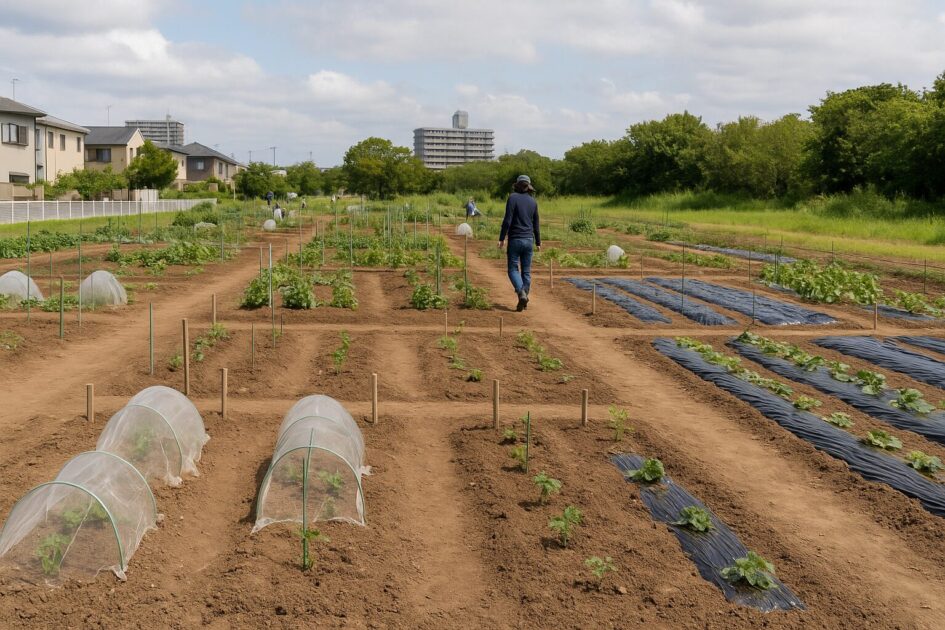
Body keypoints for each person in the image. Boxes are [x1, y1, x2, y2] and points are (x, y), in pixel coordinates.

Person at [498, 175, 540, 312]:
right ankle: (524, 299)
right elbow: (536, 223)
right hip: (528, 240)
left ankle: (521, 293)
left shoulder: (512, 198)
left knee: (513, 269)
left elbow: (507, 220)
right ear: (528, 186)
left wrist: (502, 238)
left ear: (517, 185)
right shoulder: (533, 202)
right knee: (526, 271)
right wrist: (538, 241)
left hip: (515, 239)